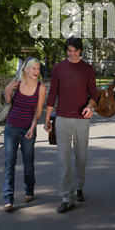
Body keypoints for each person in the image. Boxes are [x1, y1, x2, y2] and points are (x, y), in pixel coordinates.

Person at [45, 37, 97, 214]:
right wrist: (47, 118)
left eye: (75, 51)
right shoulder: (58, 68)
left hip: (82, 118)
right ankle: (67, 197)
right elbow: (52, 93)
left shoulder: (88, 69)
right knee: (63, 159)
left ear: (81, 50)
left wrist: (90, 107)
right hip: (62, 118)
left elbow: (93, 93)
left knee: (81, 156)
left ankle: (79, 186)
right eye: (69, 50)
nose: (72, 54)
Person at [2, 58, 46, 212]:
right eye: (33, 68)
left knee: (28, 162)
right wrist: (8, 89)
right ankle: (8, 197)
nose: (36, 71)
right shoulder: (16, 83)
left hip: (28, 128)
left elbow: (38, 111)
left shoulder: (41, 88)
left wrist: (33, 128)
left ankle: (29, 190)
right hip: (11, 127)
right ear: (26, 70)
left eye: (38, 68)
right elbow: (8, 102)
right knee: (9, 161)